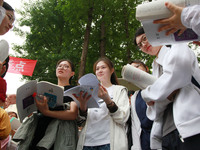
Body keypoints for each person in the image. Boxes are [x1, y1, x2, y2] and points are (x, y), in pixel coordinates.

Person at [134, 26, 200, 150]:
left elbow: (174, 80)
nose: (143, 45)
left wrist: (147, 95)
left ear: (154, 34)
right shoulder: (155, 66)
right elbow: (163, 96)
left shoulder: (174, 48)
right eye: (140, 45)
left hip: (191, 124)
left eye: (144, 38)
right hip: (167, 130)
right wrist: (159, 97)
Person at [13, 59, 79, 150]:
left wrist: (47, 112)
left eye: (66, 66)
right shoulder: (45, 89)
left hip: (59, 136)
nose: (61, 67)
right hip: (38, 131)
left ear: (72, 73)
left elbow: (73, 114)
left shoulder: (73, 90)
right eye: (59, 66)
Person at [75, 57, 130, 150]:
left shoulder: (119, 90)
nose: (100, 70)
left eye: (103, 67)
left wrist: (107, 99)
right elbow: (80, 121)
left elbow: (122, 118)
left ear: (111, 70)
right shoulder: (88, 91)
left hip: (109, 143)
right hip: (87, 143)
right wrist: (83, 106)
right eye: (97, 69)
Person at [129, 60, 153, 150]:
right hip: (143, 142)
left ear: (146, 68)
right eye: (131, 70)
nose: (134, 71)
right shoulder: (134, 97)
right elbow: (135, 125)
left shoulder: (157, 86)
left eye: (137, 66)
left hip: (163, 138)